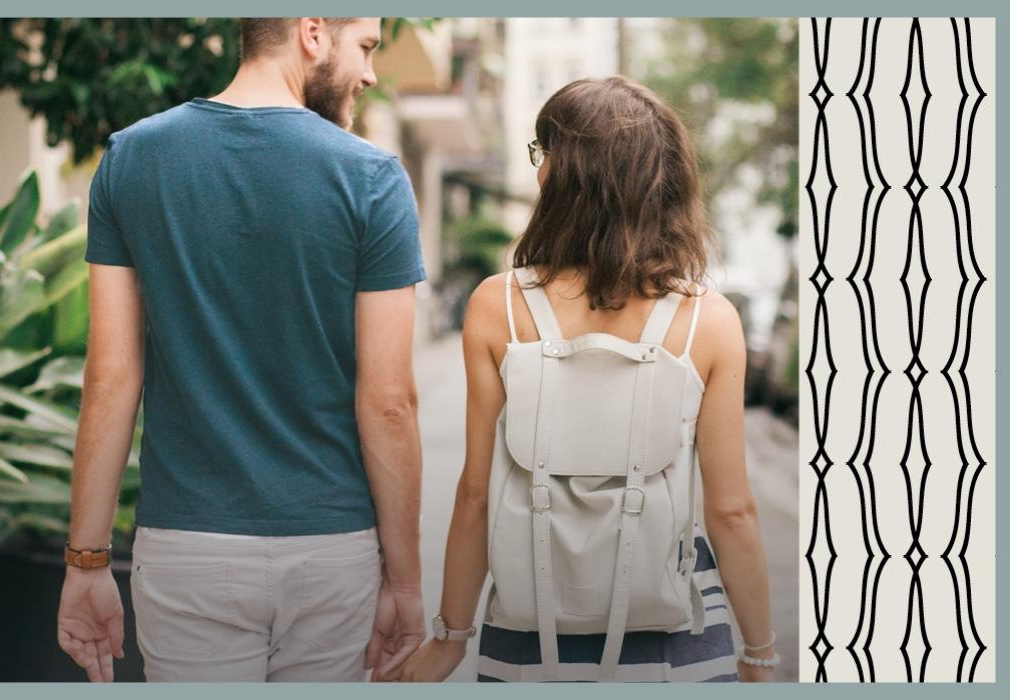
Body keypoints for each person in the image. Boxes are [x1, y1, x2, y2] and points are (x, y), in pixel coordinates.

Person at [56, 17, 428, 682]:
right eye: (366, 46)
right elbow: (390, 403)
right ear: (313, 31)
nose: (370, 74)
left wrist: (87, 564)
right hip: (331, 547)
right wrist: (404, 581)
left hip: (187, 548)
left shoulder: (132, 159)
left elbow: (110, 379)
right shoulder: (372, 177)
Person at [389, 76, 776, 683]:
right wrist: (758, 654)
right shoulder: (710, 320)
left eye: (541, 153)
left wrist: (450, 637)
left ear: (566, 174)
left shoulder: (499, 306)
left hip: (526, 632)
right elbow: (732, 513)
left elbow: (475, 498)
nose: (537, 170)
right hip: (676, 633)